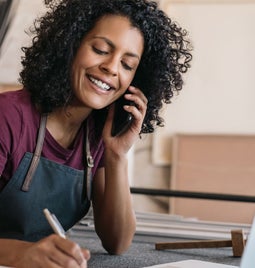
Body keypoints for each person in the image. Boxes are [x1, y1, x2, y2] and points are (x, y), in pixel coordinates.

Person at [0, 0, 192, 267]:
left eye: (127, 64)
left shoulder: (96, 136)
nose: (112, 68)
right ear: (70, 45)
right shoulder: (7, 117)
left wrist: (116, 155)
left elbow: (118, 241)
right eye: (101, 49)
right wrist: (21, 254)